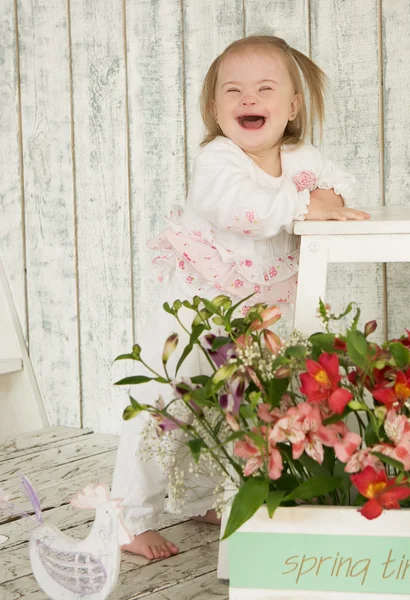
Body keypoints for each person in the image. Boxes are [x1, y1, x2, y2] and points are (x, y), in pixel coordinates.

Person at [111, 34, 370, 561]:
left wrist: (325, 199)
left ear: (292, 106)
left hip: (257, 310)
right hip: (197, 306)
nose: (248, 100)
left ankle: (208, 495)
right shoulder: (218, 160)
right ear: (215, 107)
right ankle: (126, 517)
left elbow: (337, 190)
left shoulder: (303, 157)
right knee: (168, 405)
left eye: (264, 89)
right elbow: (243, 211)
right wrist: (307, 202)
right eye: (233, 91)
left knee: (237, 406)